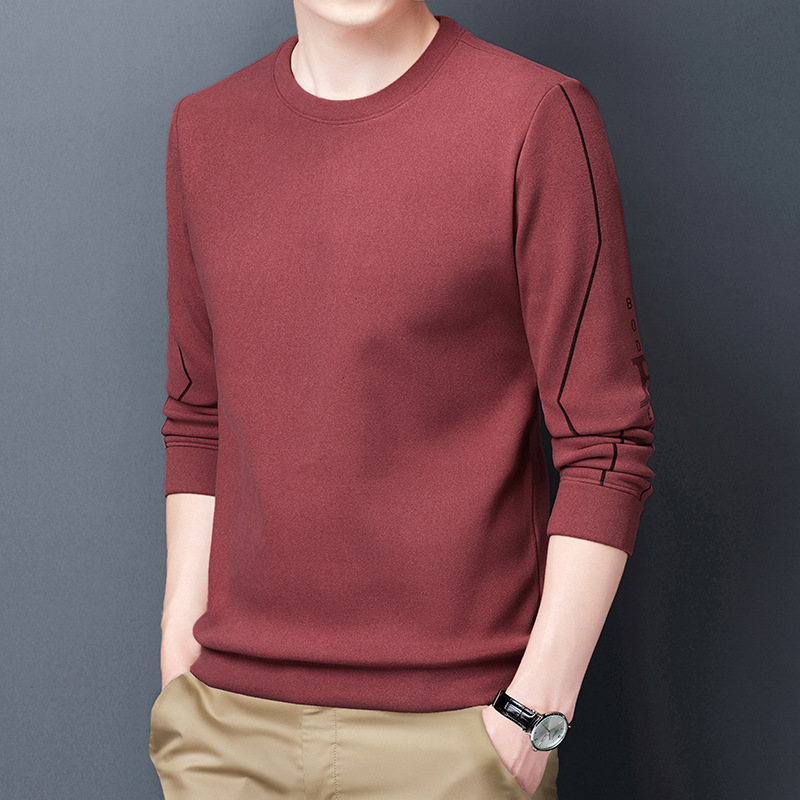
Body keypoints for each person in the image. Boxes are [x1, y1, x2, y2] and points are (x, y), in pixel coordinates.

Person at [148, 1, 656, 798]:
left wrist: (533, 715)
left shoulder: (534, 115)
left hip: (452, 738)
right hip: (224, 726)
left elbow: (608, 440)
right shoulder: (204, 129)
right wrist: (181, 644)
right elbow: (198, 411)